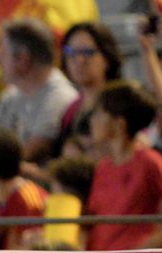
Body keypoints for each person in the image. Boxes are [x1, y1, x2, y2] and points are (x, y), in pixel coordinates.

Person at [84, 79, 162, 251]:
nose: (92, 120)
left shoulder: (151, 163)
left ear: (119, 123)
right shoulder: (103, 168)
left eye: (100, 113)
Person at [0, 18, 78, 166]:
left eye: (3, 52)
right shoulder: (11, 95)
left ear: (23, 60)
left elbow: (32, 152)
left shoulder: (60, 97)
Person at [57, 21, 121, 158]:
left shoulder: (120, 104)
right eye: (71, 52)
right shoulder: (72, 109)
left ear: (107, 57)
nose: (79, 60)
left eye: (87, 52)